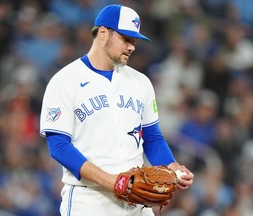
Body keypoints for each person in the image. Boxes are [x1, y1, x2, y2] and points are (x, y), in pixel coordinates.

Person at [39, 4, 194, 216]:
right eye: (125, 39)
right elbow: (58, 146)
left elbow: (152, 137)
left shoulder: (141, 82)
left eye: (134, 41)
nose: (131, 47)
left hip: (136, 197)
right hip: (89, 199)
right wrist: (111, 182)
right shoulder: (65, 81)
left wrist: (173, 166)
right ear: (103, 33)